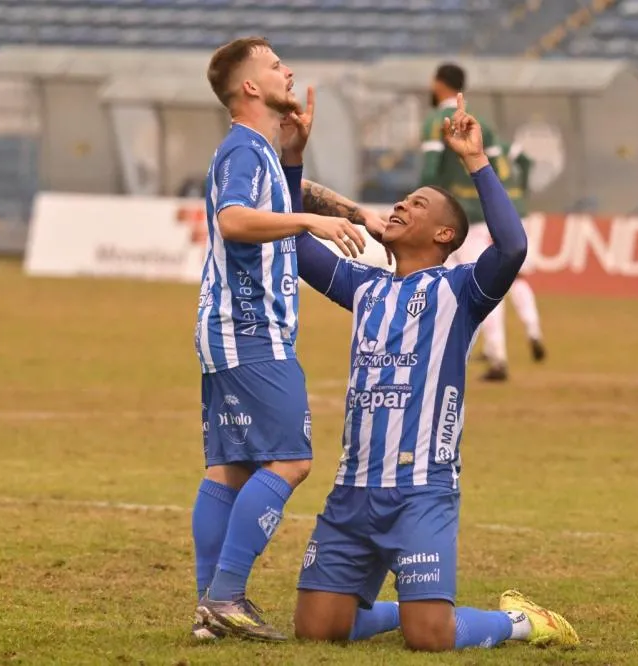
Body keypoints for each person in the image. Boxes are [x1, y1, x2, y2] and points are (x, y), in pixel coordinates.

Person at [289, 94, 580, 652]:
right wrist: (295, 155)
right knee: (317, 630)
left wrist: (475, 161)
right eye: (402, 200)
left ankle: (521, 621)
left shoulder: (460, 291)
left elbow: (513, 246)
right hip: (352, 489)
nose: (401, 205)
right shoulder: (364, 287)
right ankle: (400, 610)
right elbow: (294, 239)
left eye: (417, 204)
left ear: (445, 235)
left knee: (431, 639)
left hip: (421, 490)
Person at [191, 36, 368, 642]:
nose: (287, 71)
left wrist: (294, 158)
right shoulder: (242, 148)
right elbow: (234, 220)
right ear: (248, 86)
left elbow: (274, 203)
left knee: (232, 468)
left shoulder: (260, 149)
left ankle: (210, 609)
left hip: (231, 330)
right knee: (291, 461)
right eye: (272, 65)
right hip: (249, 331)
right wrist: (312, 219)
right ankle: (226, 595)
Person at [421, 63, 546, 382]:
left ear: (439, 84)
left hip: (456, 215)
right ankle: (498, 345)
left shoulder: (437, 121)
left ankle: (495, 355)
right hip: (488, 212)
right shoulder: (481, 123)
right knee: (499, 280)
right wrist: (514, 196)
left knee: (463, 284)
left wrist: (422, 203)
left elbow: (430, 170)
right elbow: (512, 164)